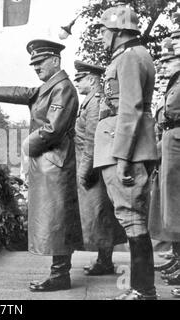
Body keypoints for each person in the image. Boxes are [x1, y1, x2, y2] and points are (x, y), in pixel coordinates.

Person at [0, 38, 83, 292]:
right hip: (50, 162)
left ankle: (60, 276)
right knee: (54, 219)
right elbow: (25, 93)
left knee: (58, 220)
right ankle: (59, 273)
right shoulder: (51, 87)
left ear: (55, 60)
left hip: (55, 162)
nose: (36, 67)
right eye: (34, 63)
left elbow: (53, 128)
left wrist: (26, 147)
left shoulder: (63, 88)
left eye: (40, 62)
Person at [92, 4, 158, 299]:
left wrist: (121, 158)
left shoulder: (130, 58)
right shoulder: (132, 55)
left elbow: (130, 109)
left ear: (118, 32)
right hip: (125, 147)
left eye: (105, 31)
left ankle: (143, 290)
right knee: (131, 218)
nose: (103, 37)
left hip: (125, 150)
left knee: (132, 219)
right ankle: (140, 288)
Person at [73, 60, 127, 276]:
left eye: (79, 79)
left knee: (100, 215)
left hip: (93, 166)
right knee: (99, 215)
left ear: (92, 79)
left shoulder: (94, 102)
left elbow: (91, 140)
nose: (76, 83)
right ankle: (103, 260)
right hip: (94, 164)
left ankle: (105, 262)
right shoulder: (89, 100)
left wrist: (84, 171)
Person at [148, 35, 180, 289]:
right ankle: (178, 259)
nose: (165, 66)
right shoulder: (174, 82)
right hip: (172, 142)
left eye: (170, 61)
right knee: (173, 206)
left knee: (177, 205)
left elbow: (167, 112)